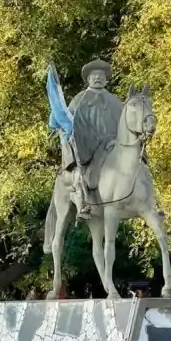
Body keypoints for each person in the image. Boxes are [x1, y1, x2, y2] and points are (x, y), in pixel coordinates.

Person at [65, 58, 123, 220]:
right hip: (89, 146)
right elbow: (68, 120)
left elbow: (124, 123)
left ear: (106, 79)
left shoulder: (115, 101)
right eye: (94, 76)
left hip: (113, 145)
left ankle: (145, 199)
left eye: (101, 76)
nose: (98, 78)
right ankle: (82, 203)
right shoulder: (79, 99)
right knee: (80, 174)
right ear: (88, 79)